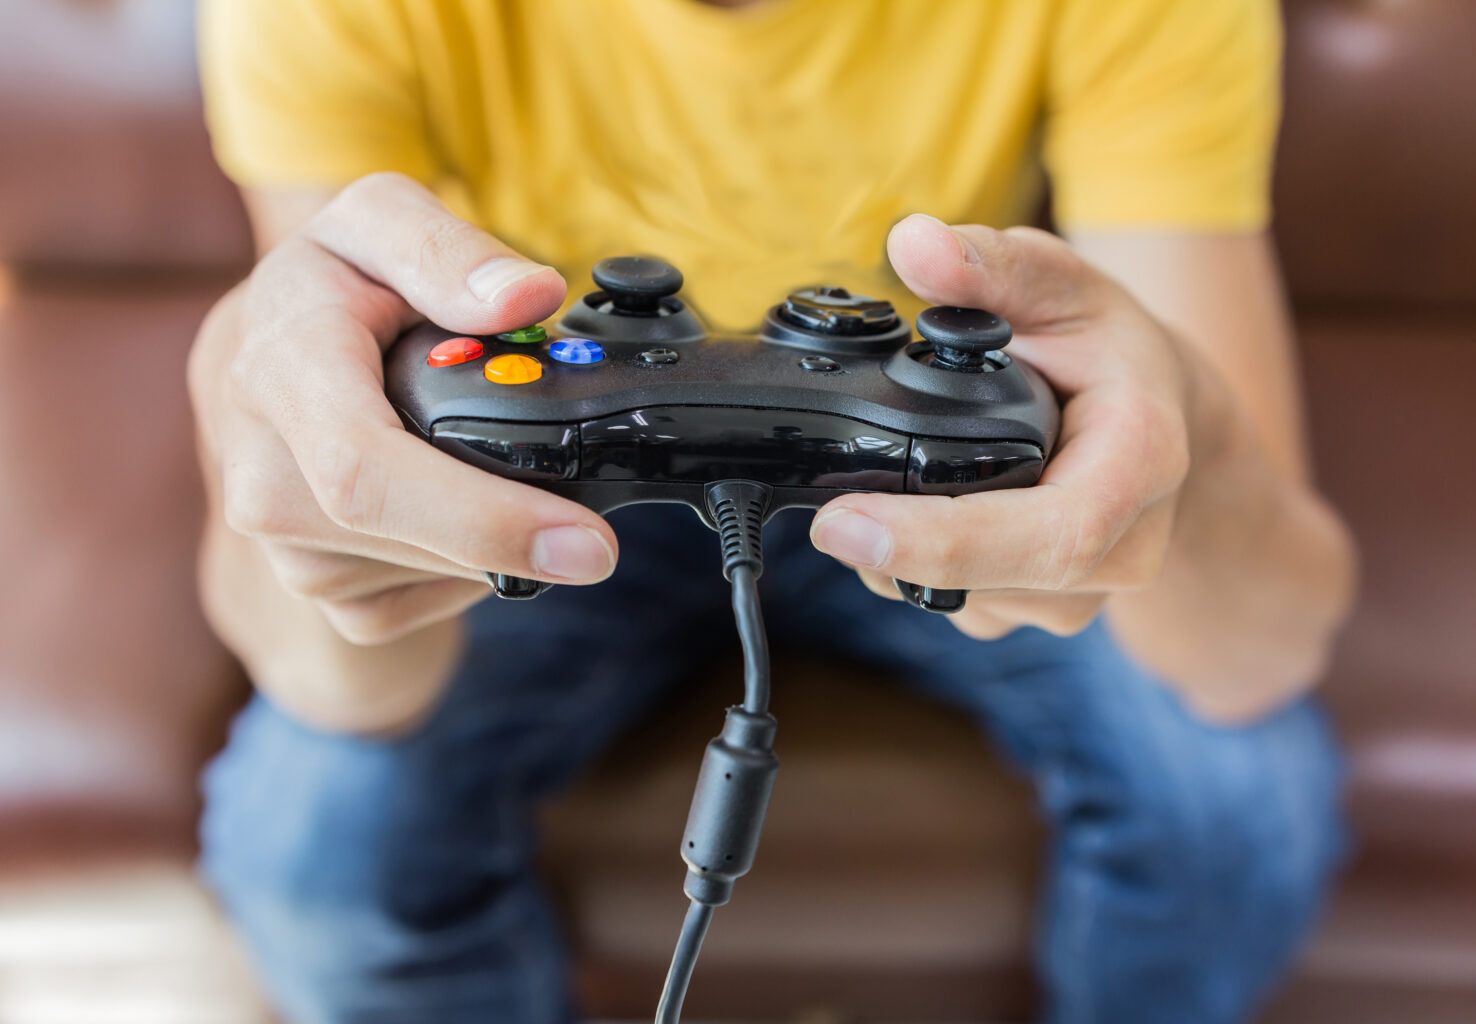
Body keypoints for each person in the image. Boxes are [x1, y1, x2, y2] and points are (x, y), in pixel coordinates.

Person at [189, 1, 1357, 1022]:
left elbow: (1256, 652)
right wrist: (274, 455)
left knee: (1240, 806)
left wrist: (1183, 428)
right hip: (545, 485)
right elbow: (339, 674)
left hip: (937, 481)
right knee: (317, 841)